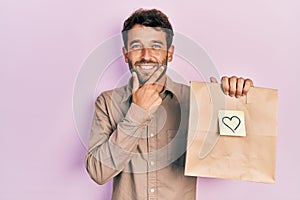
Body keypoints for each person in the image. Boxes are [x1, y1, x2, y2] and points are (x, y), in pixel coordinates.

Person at [85, 8, 253, 200]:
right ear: (126, 54)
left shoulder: (197, 99)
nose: (146, 55)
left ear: (170, 53)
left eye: (155, 46)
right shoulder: (106, 102)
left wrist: (235, 100)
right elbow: (98, 172)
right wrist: (137, 113)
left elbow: (229, 159)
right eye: (136, 46)